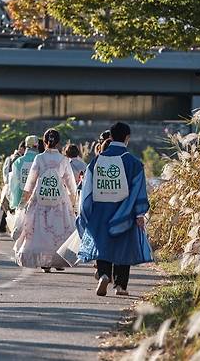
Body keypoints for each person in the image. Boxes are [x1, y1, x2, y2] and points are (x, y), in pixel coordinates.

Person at [77, 122, 152, 296]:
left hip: (100, 211)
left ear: (110, 137)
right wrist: (139, 213)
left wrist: (85, 213)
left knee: (102, 244)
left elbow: (87, 190)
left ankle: (103, 274)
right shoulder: (134, 163)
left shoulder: (96, 161)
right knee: (124, 248)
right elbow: (139, 189)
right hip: (125, 212)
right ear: (127, 138)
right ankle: (120, 286)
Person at [14, 129, 78, 272]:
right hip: (59, 201)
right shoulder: (63, 160)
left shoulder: (39, 159)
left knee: (40, 231)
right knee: (58, 230)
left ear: (44, 142)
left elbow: (30, 182)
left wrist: (23, 202)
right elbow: (71, 184)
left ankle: (44, 262)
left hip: (40, 199)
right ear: (59, 143)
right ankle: (58, 260)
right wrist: (73, 201)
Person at [0, 141, 26, 233]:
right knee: (11, 207)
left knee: (8, 207)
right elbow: (7, 173)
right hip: (13, 185)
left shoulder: (10, 158)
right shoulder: (15, 158)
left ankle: (4, 227)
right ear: (22, 148)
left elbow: (5, 172)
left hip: (10, 185)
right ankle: (7, 227)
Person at [9, 135, 40, 210]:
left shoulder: (18, 162)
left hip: (21, 202)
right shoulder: (41, 161)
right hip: (38, 203)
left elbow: (13, 184)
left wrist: (14, 202)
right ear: (37, 145)